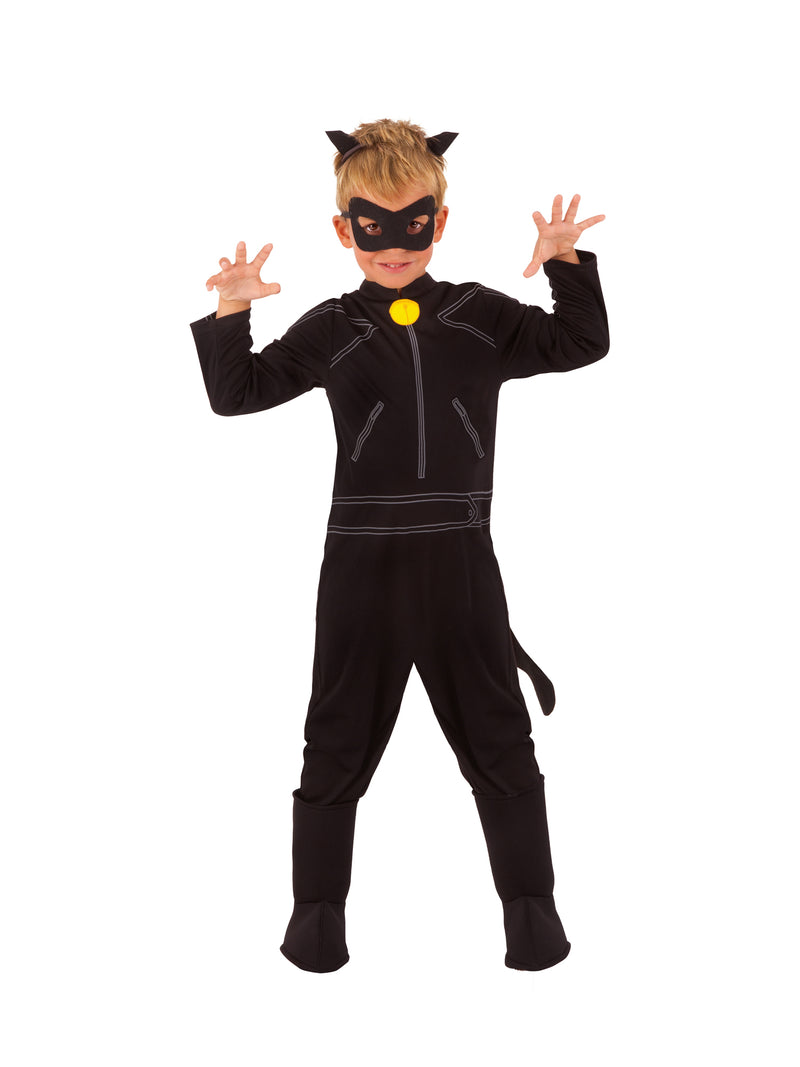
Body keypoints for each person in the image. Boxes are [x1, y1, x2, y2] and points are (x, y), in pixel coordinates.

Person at [190, 119, 609, 973]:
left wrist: (565, 263)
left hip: (460, 565)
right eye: (371, 226)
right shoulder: (332, 326)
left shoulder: (480, 315)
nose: (392, 245)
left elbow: (581, 342)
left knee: (500, 740)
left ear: (440, 222)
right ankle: (315, 927)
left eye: (412, 223)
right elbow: (236, 394)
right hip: (361, 569)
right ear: (343, 229)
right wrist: (233, 309)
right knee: (335, 742)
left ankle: (533, 923)